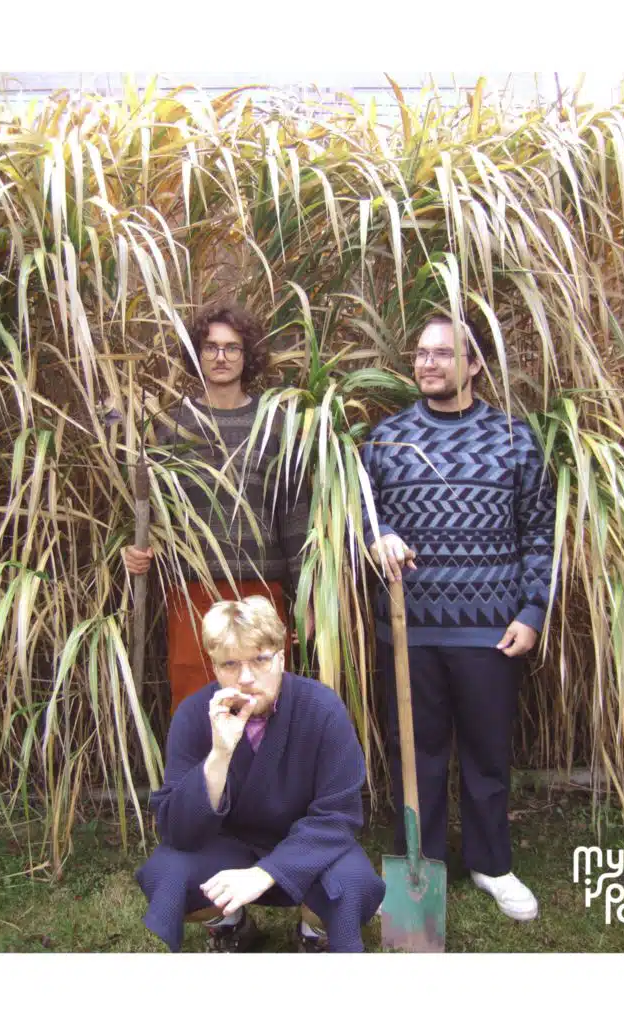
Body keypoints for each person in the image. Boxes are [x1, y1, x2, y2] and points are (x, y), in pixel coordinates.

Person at [360, 312, 556, 922]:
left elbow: (540, 532)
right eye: (421, 353)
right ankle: (419, 865)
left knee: (487, 753)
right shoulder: (386, 440)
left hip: (491, 630)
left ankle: (490, 863)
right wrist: (378, 535)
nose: (428, 363)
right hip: (408, 631)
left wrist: (532, 609)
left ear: (474, 364)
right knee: (413, 755)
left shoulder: (514, 439)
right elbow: (360, 513)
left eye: (443, 354)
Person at [134, 597, 385, 952]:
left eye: (260, 660)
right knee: (167, 874)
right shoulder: (193, 715)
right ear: (214, 667)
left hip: (308, 847)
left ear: (281, 657)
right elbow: (177, 831)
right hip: (228, 848)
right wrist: (219, 755)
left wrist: (266, 873)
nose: (246, 678)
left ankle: (315, 934)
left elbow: (338, 817)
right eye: (230, 664)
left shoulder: (323, 709)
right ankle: (229, 926)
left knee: (353, 880)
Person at [123, 302, 310, 713]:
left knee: (263, 705)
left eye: (231, 348)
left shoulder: (275, 424)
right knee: (196, 705)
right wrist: (136, 551)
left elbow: (295, 516)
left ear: (247, 356)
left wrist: (306, 601)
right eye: (210, 347)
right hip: (193, 592)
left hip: (262, 590)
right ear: (197, 354)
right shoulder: (171, 426)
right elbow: (154, 515)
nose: (220, 357)